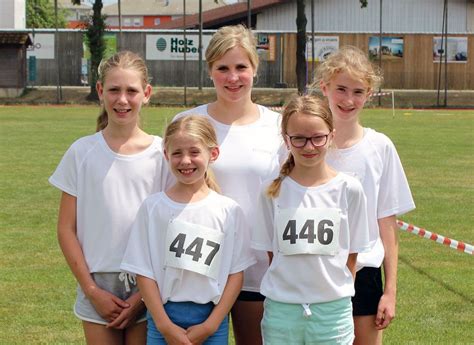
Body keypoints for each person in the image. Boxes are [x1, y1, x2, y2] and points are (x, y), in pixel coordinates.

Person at [49, 51, 172, 345]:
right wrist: (92, 290)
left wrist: (143, 297)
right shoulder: (82, 152)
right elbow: (66, 228)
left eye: (131, 91)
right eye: (114, 90)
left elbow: (172, 227)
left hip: (150, 283)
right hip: (97, 283)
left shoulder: (162, 154)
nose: (122, 100)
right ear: (100, 91)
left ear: (147, 94)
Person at [174, 24, 286, 345]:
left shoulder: (278, 127)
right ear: (210, 70)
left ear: (255, 69)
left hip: (259, 272)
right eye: (223, 68)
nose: (232, 77)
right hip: (199, 270)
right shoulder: (187, 123)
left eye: (241, 67)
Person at [120, 115, 256, 345]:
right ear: (166, 155)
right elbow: (143, 271)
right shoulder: (153, 208)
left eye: (194, 152)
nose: (185, 161)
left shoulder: (228, 211)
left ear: (212, 154)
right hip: (163, 319)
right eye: (177, 153)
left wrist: (211, 324)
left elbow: (236, 274)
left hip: (211, 320)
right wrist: (164, 325)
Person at [313, 46, 416, 345]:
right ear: (325, 87)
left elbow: (387, 222)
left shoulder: (380, 147)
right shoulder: (306, 143)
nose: (348, 99)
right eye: (341, 89)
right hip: (313, 270)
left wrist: (391, 291)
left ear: (369, 94)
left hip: (365, 272)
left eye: (358, 91)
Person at [251, 95, 372, 344]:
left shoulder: (349, 189)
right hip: (282, 312)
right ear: (286, 139)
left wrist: (329, 292)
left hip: (332, 312)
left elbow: (351, 255)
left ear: (331, 136)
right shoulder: (270, 191)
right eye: (299, 138)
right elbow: (272, 255)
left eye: (318, 138)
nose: (309, 147)